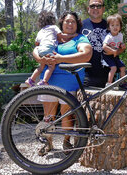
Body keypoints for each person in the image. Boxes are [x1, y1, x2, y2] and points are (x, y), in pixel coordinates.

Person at [33, 11, 92, 156]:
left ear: (77, 24)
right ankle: (48, 143)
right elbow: (36, 48)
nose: (70, 24)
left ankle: (67, 142)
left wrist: (60, 59)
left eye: (73, 21)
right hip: (48, 82)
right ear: (61, 23)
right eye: (67, 21)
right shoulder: (53, 36)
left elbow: (86, 54)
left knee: (67, 116)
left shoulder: (80, 38)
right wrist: (40, 59)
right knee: (48, 116)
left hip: (69, 82)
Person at [81, 0, 125, 88]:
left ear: (103, 8)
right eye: (92, 6)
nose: (95, 8)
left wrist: (118, 51)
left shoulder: (111, 25)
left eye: (99, 6)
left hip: (107, 75)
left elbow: (120, 47)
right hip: (85, 75)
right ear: (88, 9)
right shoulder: (80, 25)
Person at [25, 10, 72, 87]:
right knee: (51, 66)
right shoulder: (53, 27)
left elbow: (36, 43)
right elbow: (61, 36)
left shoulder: (41, 31)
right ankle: (44, 81)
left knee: (41, 67)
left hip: (40, 49)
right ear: (52, 20)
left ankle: (31, 79)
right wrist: (71, 36)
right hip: (49, 49)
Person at [102, 13, 127, 88]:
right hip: (107, 56)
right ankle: (109, 83)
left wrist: (122, 46)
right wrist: (113, 51)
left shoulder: (120, 35)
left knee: (122, 67)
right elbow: (104, 46)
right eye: (112, 25)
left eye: (117, 25)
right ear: (109, 27)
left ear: (120, 27)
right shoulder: (108, 37)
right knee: (114, 68)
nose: (115, 27)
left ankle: (122, 82)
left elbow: (120, 44)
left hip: (115, 56)